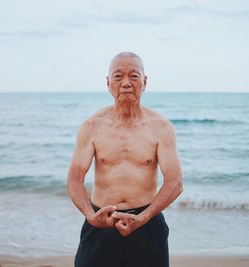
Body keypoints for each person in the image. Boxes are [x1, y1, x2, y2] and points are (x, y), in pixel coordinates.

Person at [67, 52, 183, 267]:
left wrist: (144, 217)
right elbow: (75, 179)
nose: (126, 83)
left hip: (147, 224)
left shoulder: (161, 127)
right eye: (118, 76)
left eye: (134, 76)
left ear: (145, 82)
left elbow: (174, 183)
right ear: (108, 82)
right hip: (100, 222)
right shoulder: (92, 126)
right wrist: (90, 215)